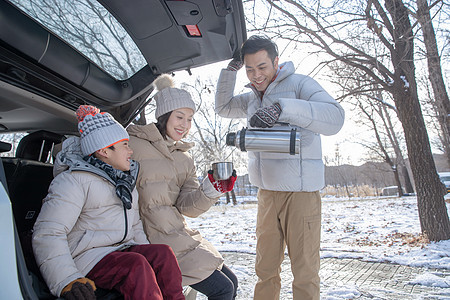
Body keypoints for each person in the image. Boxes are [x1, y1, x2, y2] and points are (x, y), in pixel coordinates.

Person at [215, 35, 345, 300]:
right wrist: (230, 72)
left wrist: (282, 109)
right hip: (267, 194)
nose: (256, 76)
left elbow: (335, 117)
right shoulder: (252, 96)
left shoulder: (300, 84)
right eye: (249, 69)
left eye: (262, 67)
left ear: (276, 61)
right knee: (265, 270)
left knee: (305, 271)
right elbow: (223, 107)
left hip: (301, 195)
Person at [32, 105, 185, 300]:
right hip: (86, 257)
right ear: (105, 150)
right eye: (124, 145)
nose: (130, 151)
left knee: (162, 254)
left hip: (120, 249)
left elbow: (135, 226)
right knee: (135, 265)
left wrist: (150, 260)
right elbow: (48, 232)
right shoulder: (73, 181)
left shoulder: (125, 182)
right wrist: (67, 279)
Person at [127, 74, 238, 300]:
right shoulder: (134, 144)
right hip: (152, 238)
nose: (185, 125)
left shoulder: (184, 158)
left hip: (178, 235)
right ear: (164, 115)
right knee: (223, 289)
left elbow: (188, 207)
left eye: (189, 119)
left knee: (232, 282)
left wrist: (212, 188)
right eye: (180, 117)